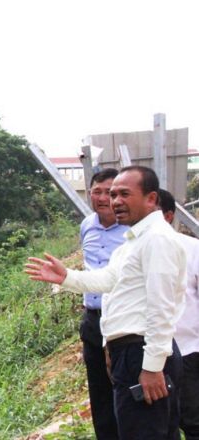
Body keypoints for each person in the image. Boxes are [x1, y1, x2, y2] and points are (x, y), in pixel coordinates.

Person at [25, 165, 186, 440]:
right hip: (131, 354)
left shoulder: (157, 240)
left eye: (124, 194)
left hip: (142, 354)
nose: (115, 201)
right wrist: (67, 277)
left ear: (151, 198)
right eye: (112, 195)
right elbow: (110, 280)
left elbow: (162, 306)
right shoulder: (134, 241)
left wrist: (152, 366)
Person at [80, 168, 129, 440]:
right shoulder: (87, 225)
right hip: (92, 320)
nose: (102, 198)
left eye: (107, 193)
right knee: (99, 392)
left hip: (123, 321)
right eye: (96, 192)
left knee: (123, 389)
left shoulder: (131, 231)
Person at [157, 189, 199, 440]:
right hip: (149, 353)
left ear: (169, 216)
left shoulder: (192, 249)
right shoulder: (130, 251)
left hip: (188, 350)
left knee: (192, 420)